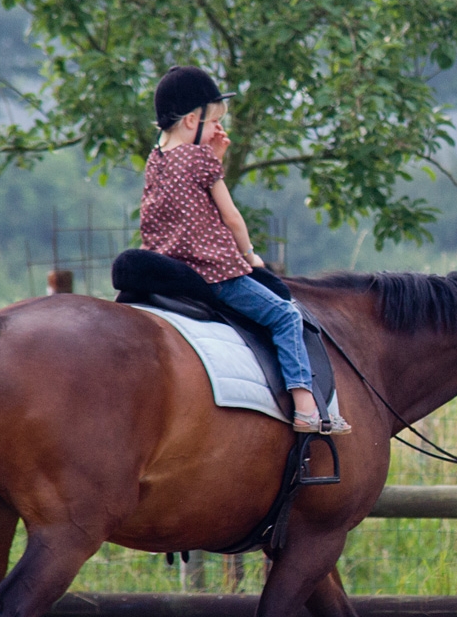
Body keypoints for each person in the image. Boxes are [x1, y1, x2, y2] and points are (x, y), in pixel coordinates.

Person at [139, 65, 346, 434]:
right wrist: (250, 255)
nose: (219, 128)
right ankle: (305, 408)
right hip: (212, 271)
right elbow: (231, 217)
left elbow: (187, 194)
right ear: (191, 120)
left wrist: (212, 156)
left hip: (167, 267)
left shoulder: (156, 159)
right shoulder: (200, 160)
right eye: (214, 120)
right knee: (285, 316)